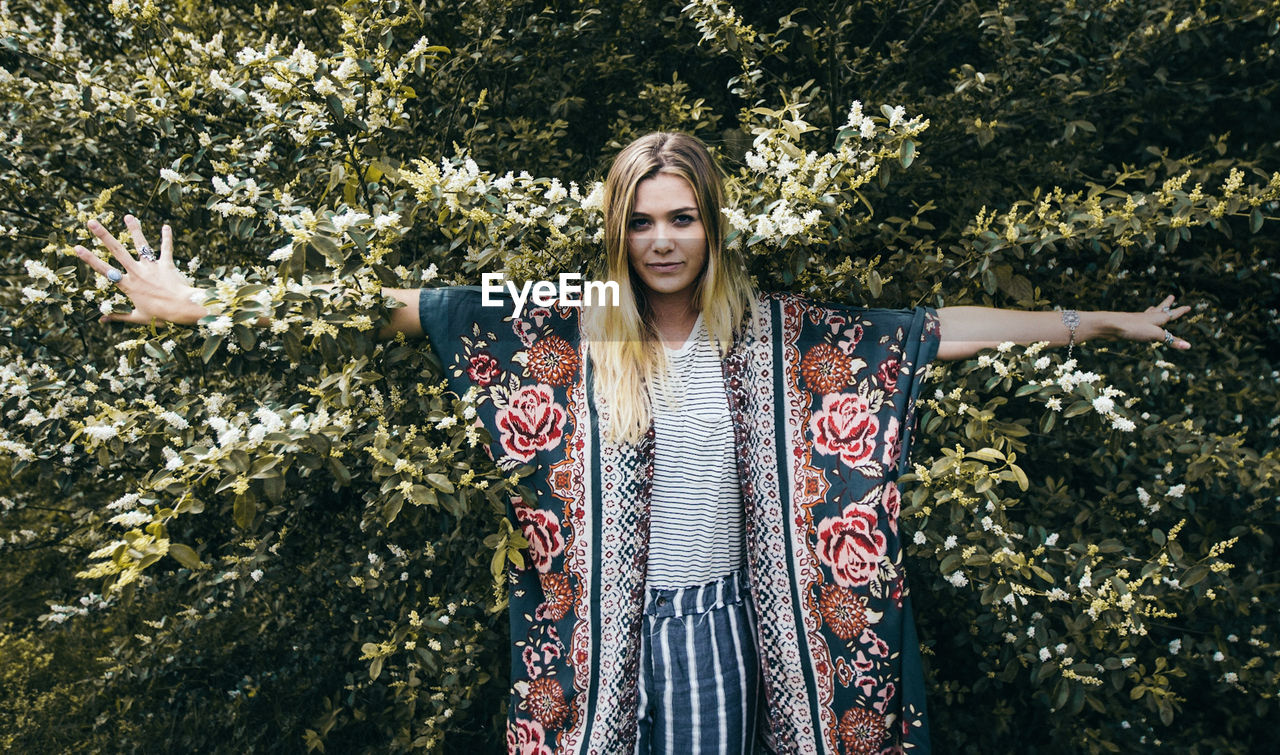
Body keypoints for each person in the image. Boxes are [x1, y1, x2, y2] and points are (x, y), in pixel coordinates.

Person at [73, 131, 1190, 755]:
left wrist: (1086, 319)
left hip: (719, 639)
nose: (662, 238)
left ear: (712, 223)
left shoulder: (780, 335)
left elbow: (931, 330)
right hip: (587, 654)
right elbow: (389, 302)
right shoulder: (562, 315)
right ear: (618, 227)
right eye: (642, 218)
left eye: (683, 216)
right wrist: (208, 304)